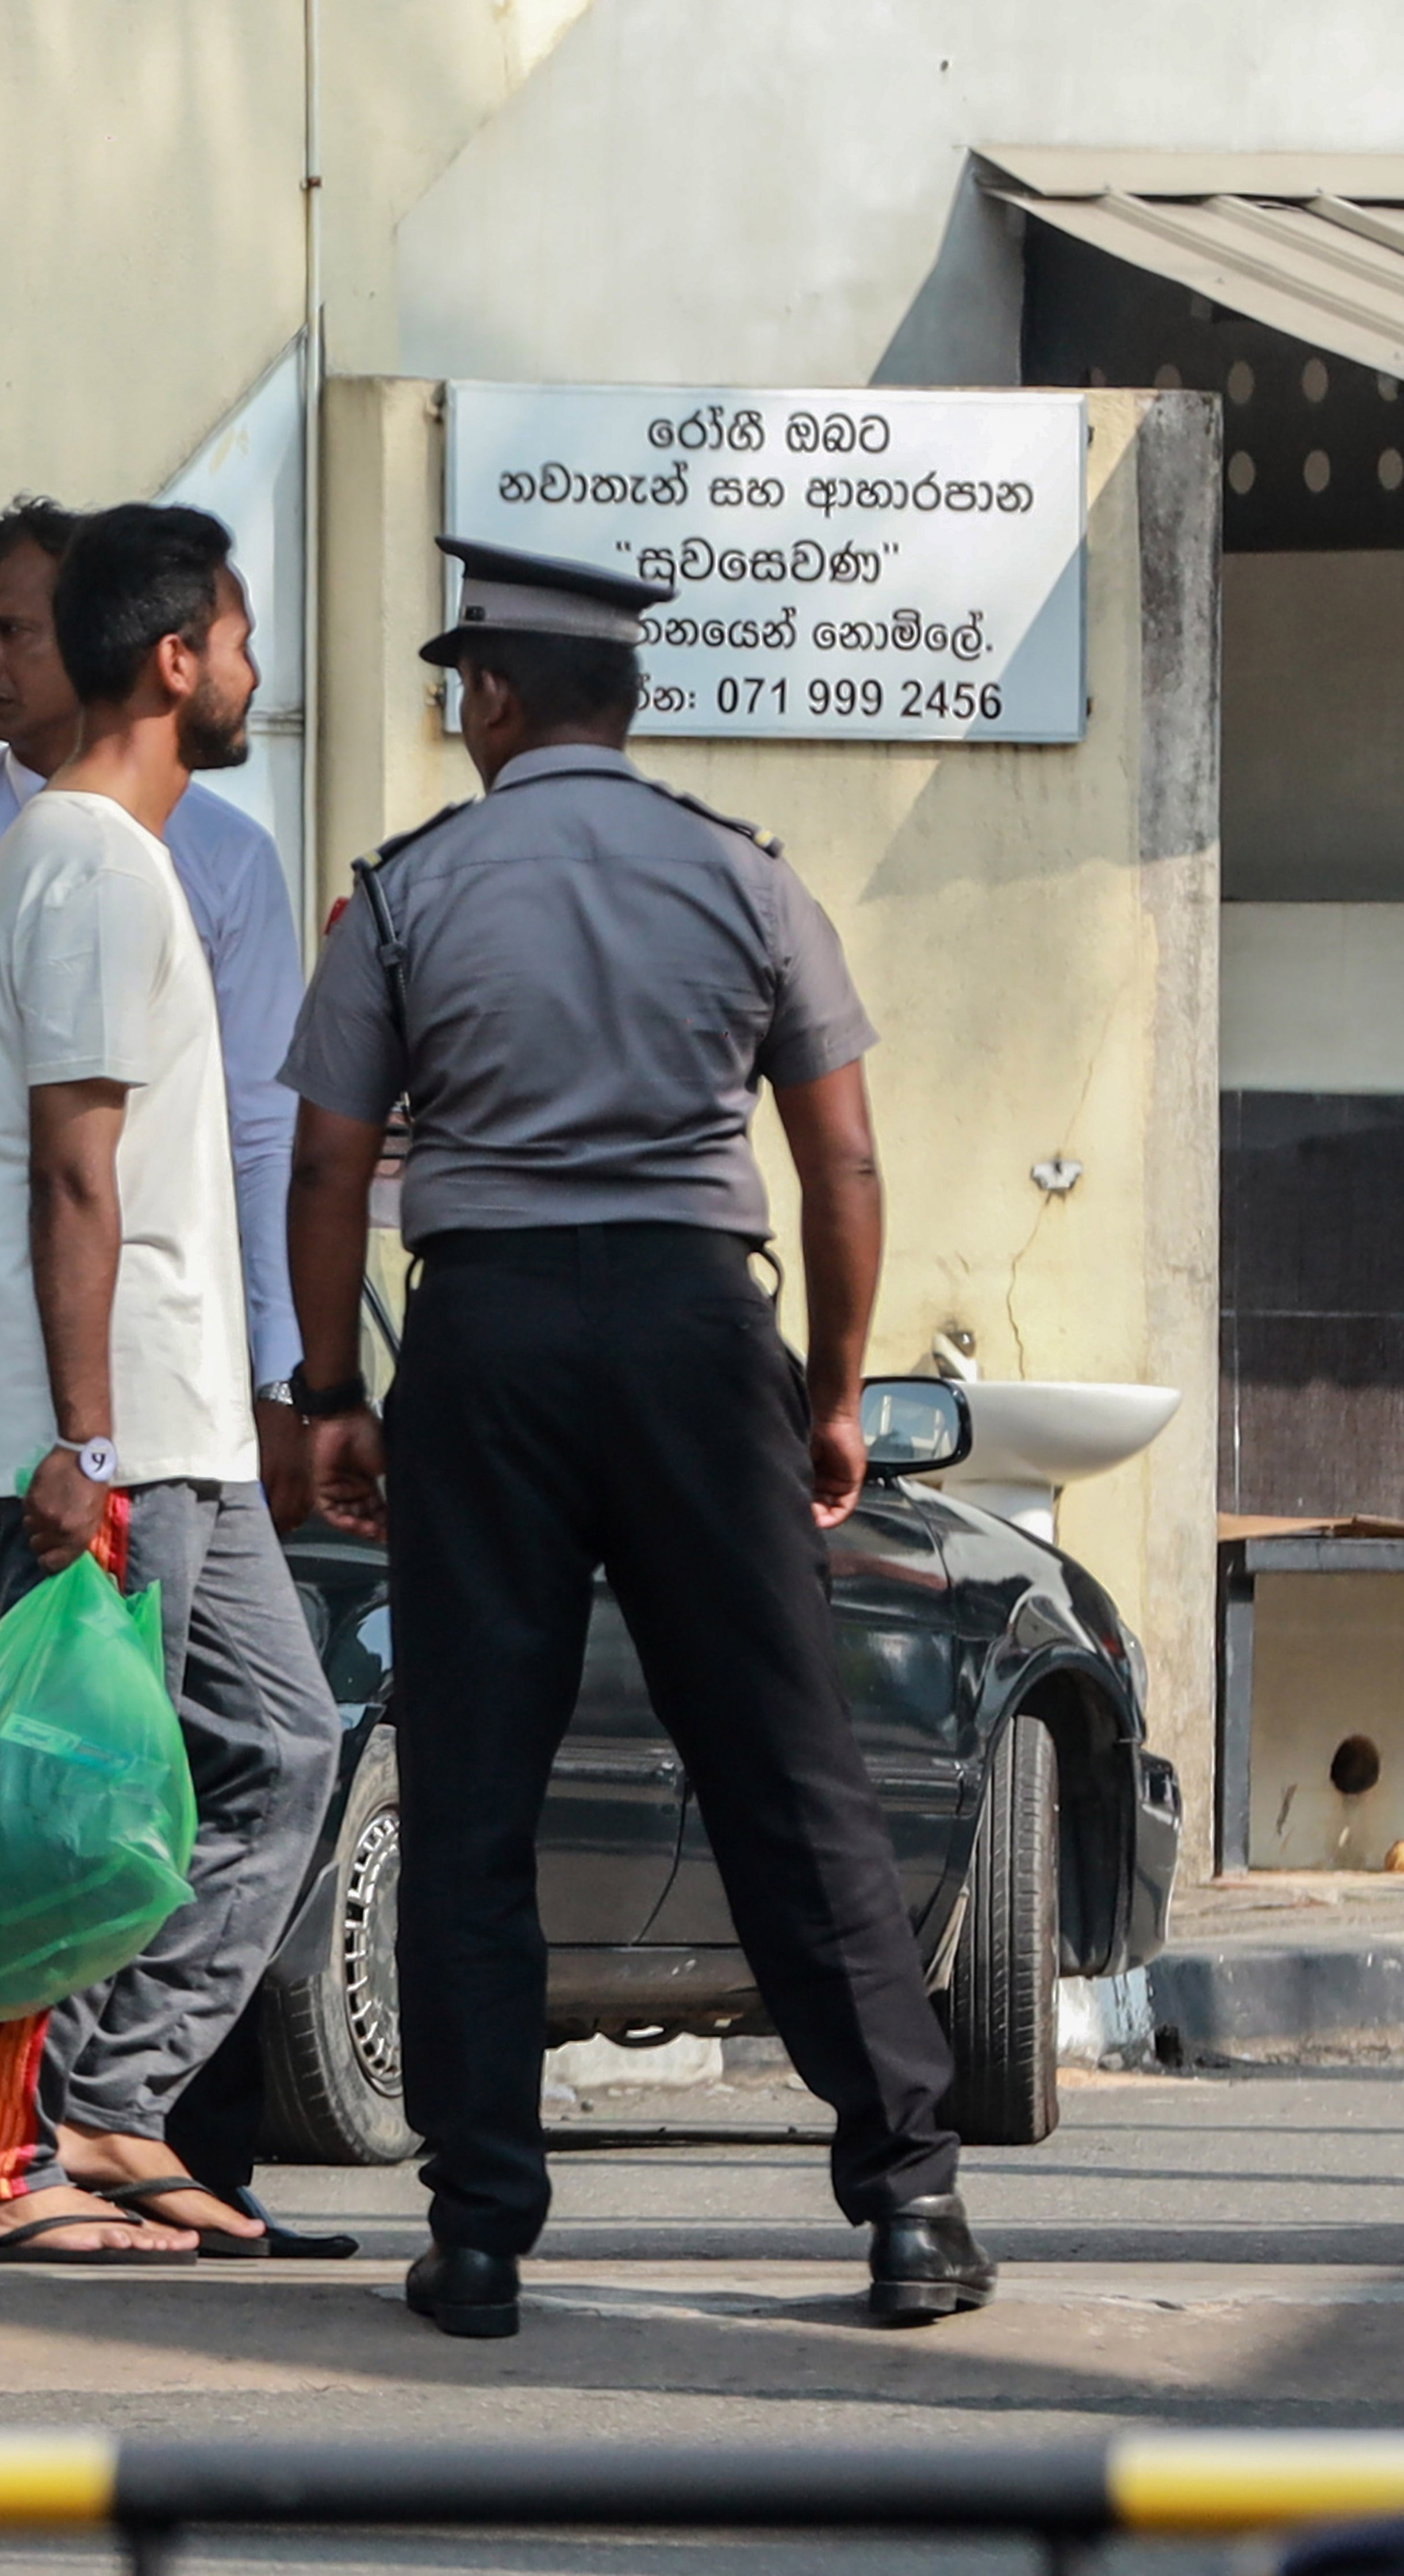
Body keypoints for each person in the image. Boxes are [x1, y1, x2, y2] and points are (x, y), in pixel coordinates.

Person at [278, 536, 993, 2339]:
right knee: (782, 1760)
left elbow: (326, 1163)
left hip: (492, 1338)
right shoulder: (747, 881)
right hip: (694, 1328)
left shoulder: (408, 892)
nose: (456, 718)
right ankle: (909, 2203)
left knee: (472, 1788)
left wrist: (333, 1395)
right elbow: (841, 1161)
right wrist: (829, 1393)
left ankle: (482, 2235)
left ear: (499, 700)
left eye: (461, 692)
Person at [0, 499, 331, 2257]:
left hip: (184, 1416)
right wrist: (83, 1443)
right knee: (86, 1794)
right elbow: (75, 1172)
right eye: (241, 641)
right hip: (116, 1427)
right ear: (177, 660)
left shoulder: (125, 857)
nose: (256, 672)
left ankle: (108, 2106)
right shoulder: (96, 868)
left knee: (277, 1745)